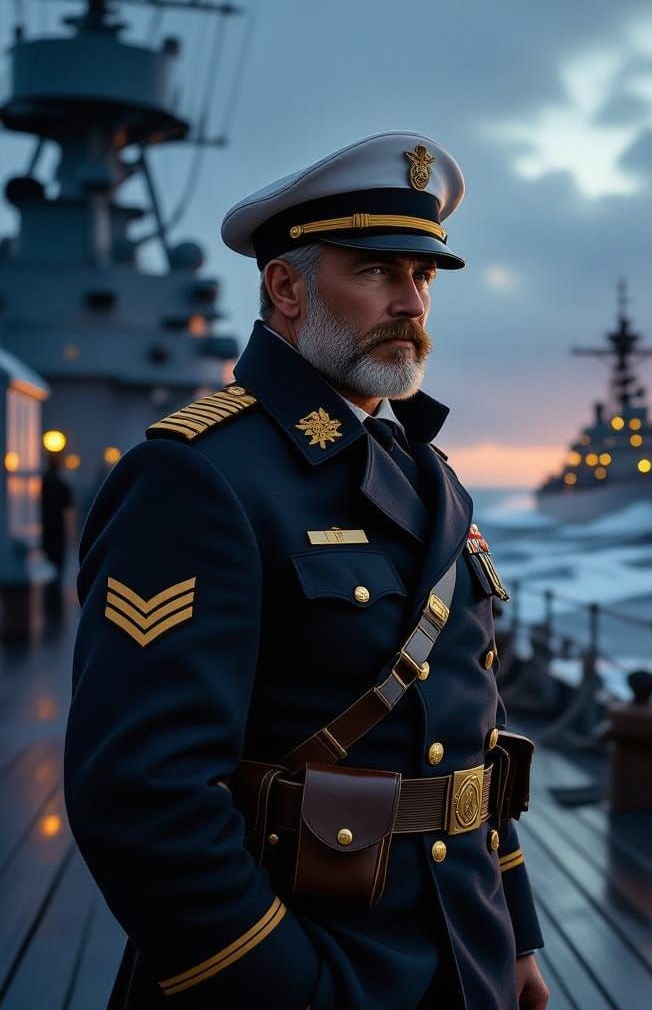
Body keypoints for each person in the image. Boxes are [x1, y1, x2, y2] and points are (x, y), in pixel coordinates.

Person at [65, 132, 548, 1010]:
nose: (411, 301)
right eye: (375, 272)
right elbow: (141, 797)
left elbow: (475, 740)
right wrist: (294, 989)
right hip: (308, 965)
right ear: (286, 288)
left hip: (461, 952)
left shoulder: (427, 472)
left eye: (423, 277)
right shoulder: (199, 475)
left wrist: (512, 937)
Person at [40, 451, 74, 614]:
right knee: (59, 568)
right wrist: (70, 537)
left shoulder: (40, 484)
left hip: (44, 532)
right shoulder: (62, 485)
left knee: (46, 565)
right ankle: (55, 602)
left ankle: (47, 599)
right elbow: (68, 514)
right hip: (58, 533)